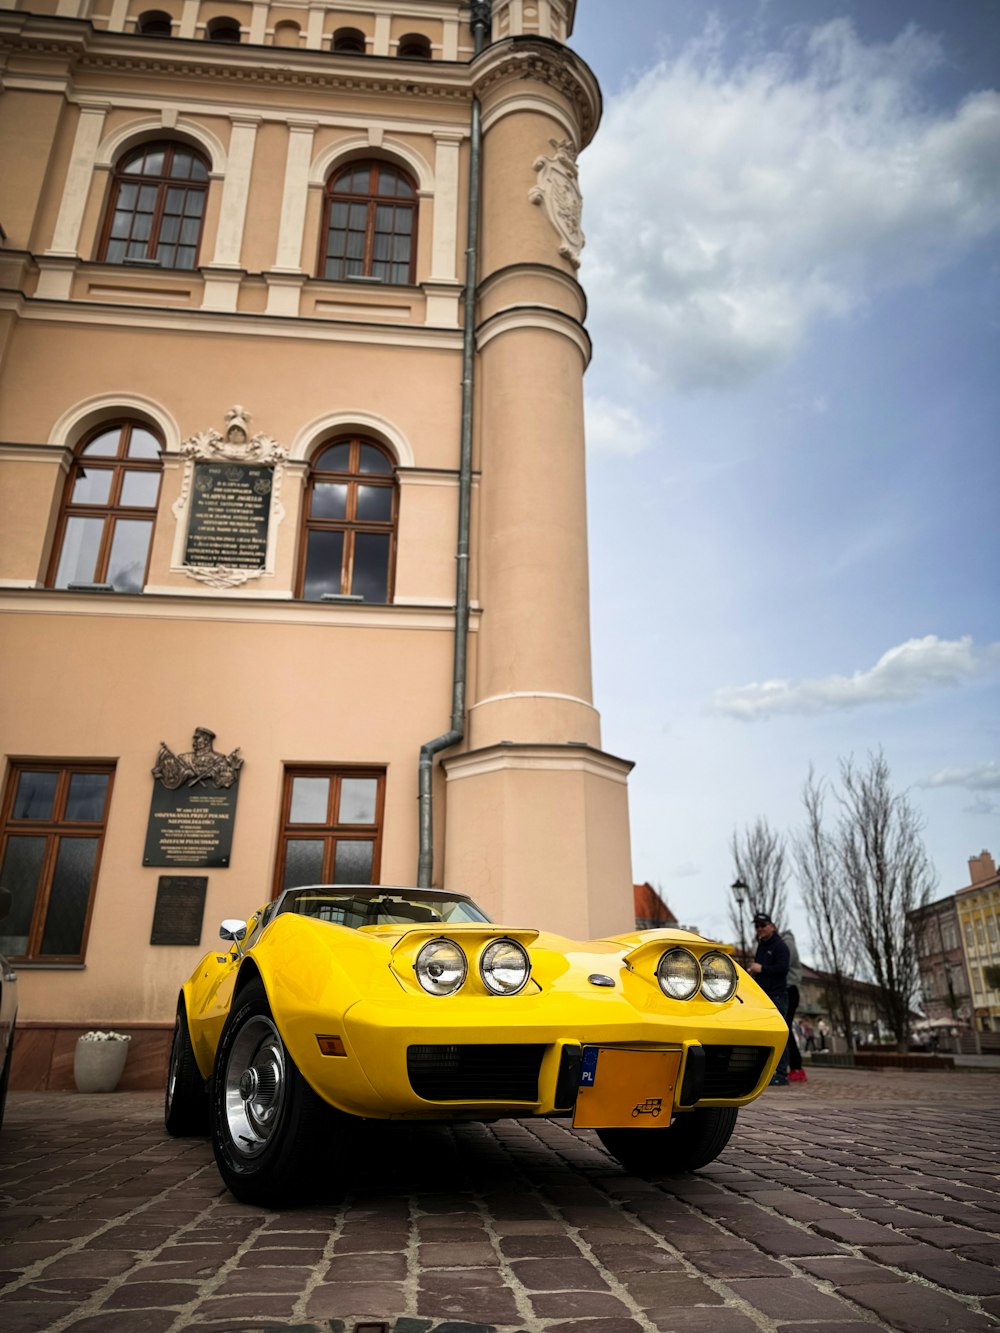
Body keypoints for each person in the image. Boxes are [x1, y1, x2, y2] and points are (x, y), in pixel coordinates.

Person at [748, 912, 790, 1085]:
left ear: (771, 926)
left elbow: (783, 969)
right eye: (757, 926)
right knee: (764, 1035)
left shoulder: (780, 946)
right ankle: (767, 1072)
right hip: (764, 996)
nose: (760, 929)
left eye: (763, 925)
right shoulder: (761, 946)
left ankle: (781, 1074)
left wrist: (762, 968)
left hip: (777, 995)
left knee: (779, 1034)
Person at [783, 929, 807, 1083]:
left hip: (789, 989)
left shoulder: (786, 943)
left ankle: (796, 1067)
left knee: (786, 1029)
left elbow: (784, 964)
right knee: (786, 1029)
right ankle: (795, 1066)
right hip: (789, 989)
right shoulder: (787, 942)